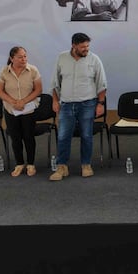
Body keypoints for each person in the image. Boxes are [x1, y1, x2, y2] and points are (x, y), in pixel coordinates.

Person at [49, 32, 107, 180]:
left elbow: (102, 84)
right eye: (82, 47)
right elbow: (55, 83)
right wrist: (55, 101)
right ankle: (62, 167)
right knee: (63, 136)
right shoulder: (61, 58)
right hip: (66, 104)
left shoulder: (94, 59)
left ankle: (86, 165)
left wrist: (100, 104)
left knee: (86, 135)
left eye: (87, 46)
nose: (86, 49)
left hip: (88, 103)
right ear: (73, 46)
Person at [0, 46, 43, 177]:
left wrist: (23, 101)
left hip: (28, 110)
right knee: (15, 138)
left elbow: (38, 90)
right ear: (12, 58)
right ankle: (19, 163)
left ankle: (31, 164)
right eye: (20, 57)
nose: (24, 59)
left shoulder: (33, 70)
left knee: (28, 137)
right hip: (11, 110)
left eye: (25, 56)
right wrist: (13, 102)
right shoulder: (4, 71)